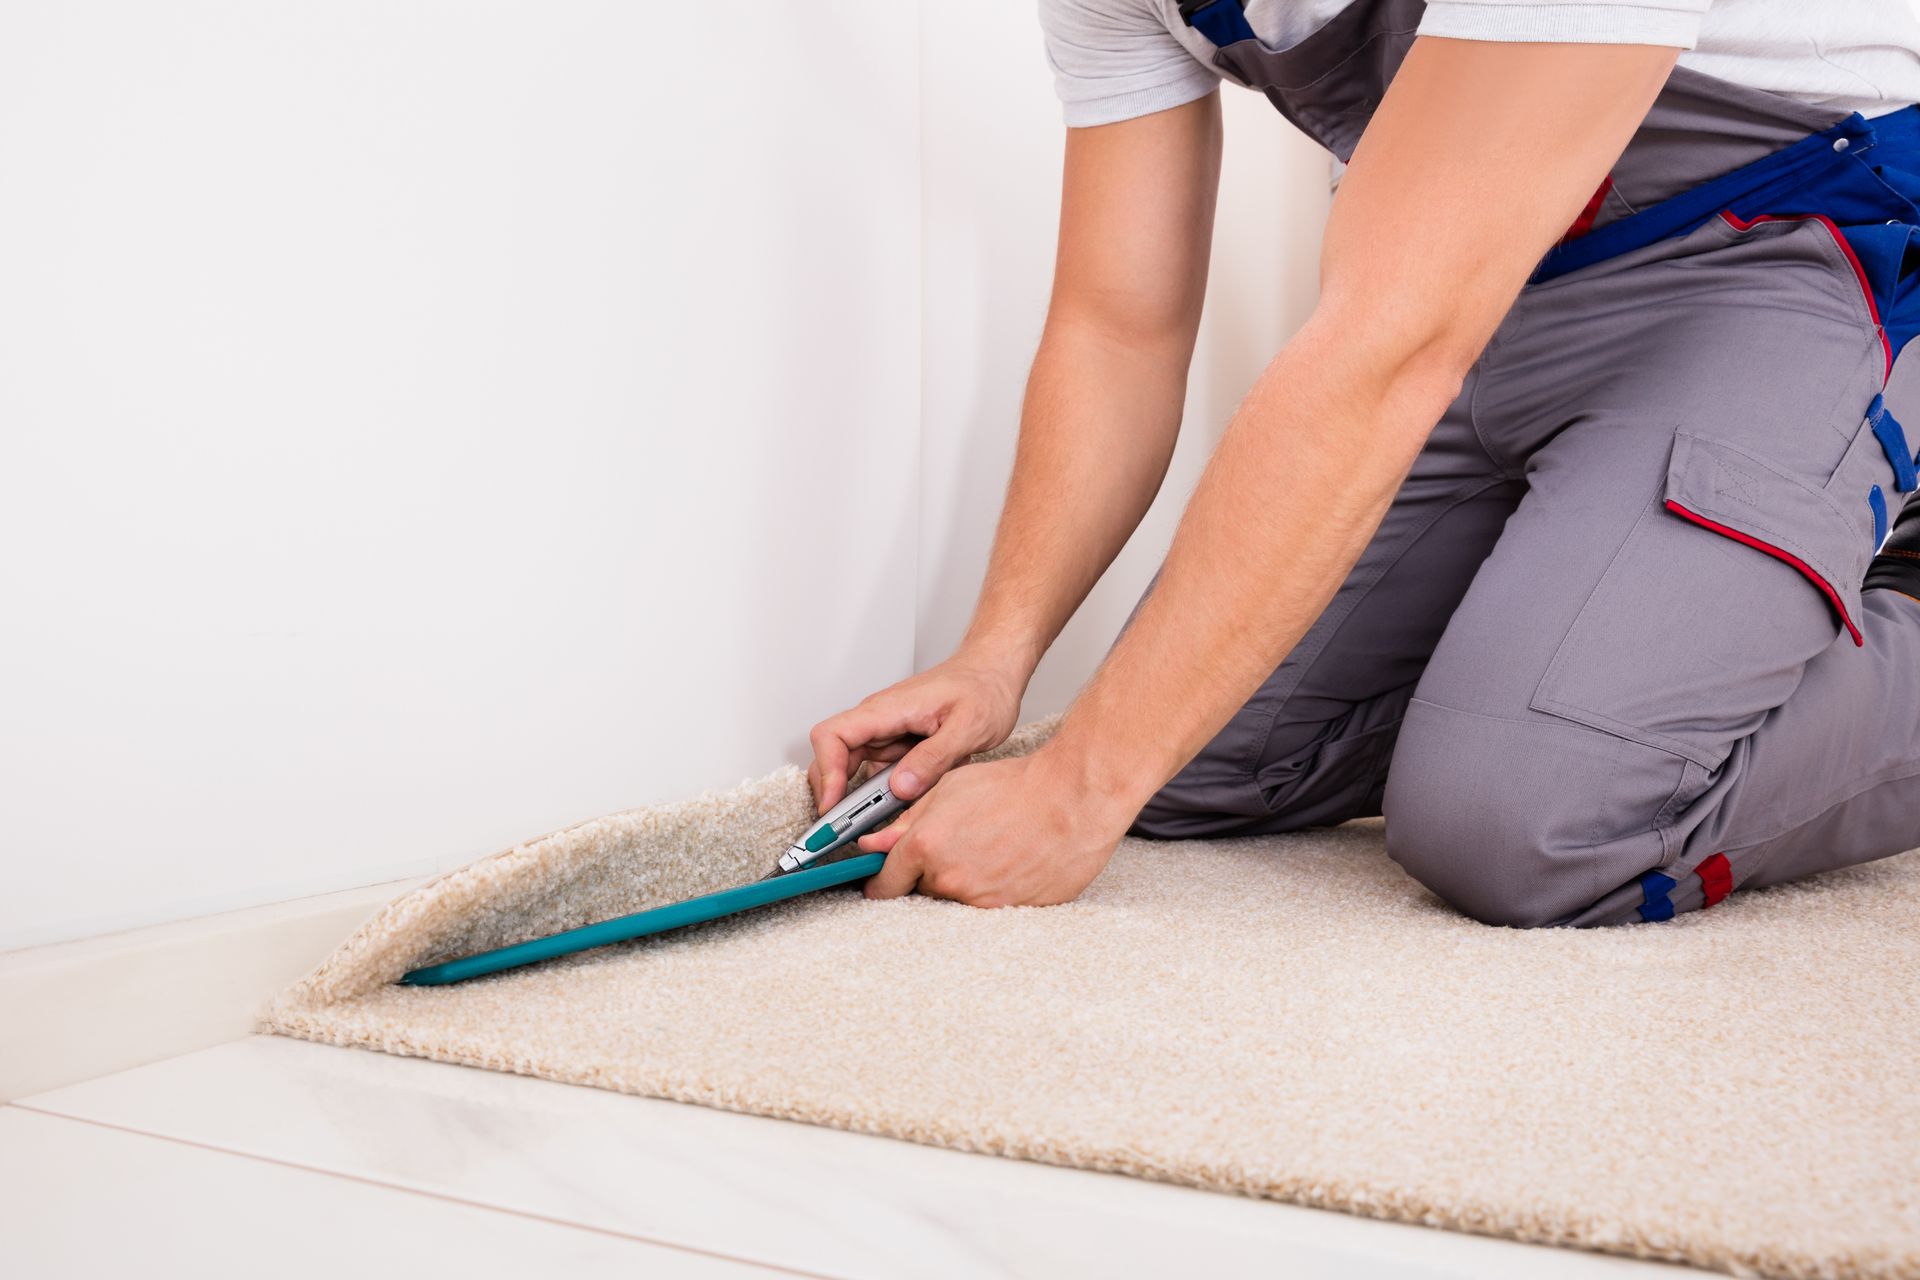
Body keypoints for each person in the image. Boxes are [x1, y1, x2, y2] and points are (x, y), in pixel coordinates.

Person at [807, 0, 1920, 927]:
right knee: (1196, 759)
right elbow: (1117, 325)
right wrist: (998, 653)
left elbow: (1389, 345)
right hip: (1492, 299)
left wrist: (1077, 785)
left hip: (1791, 267)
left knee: (1527, 815)